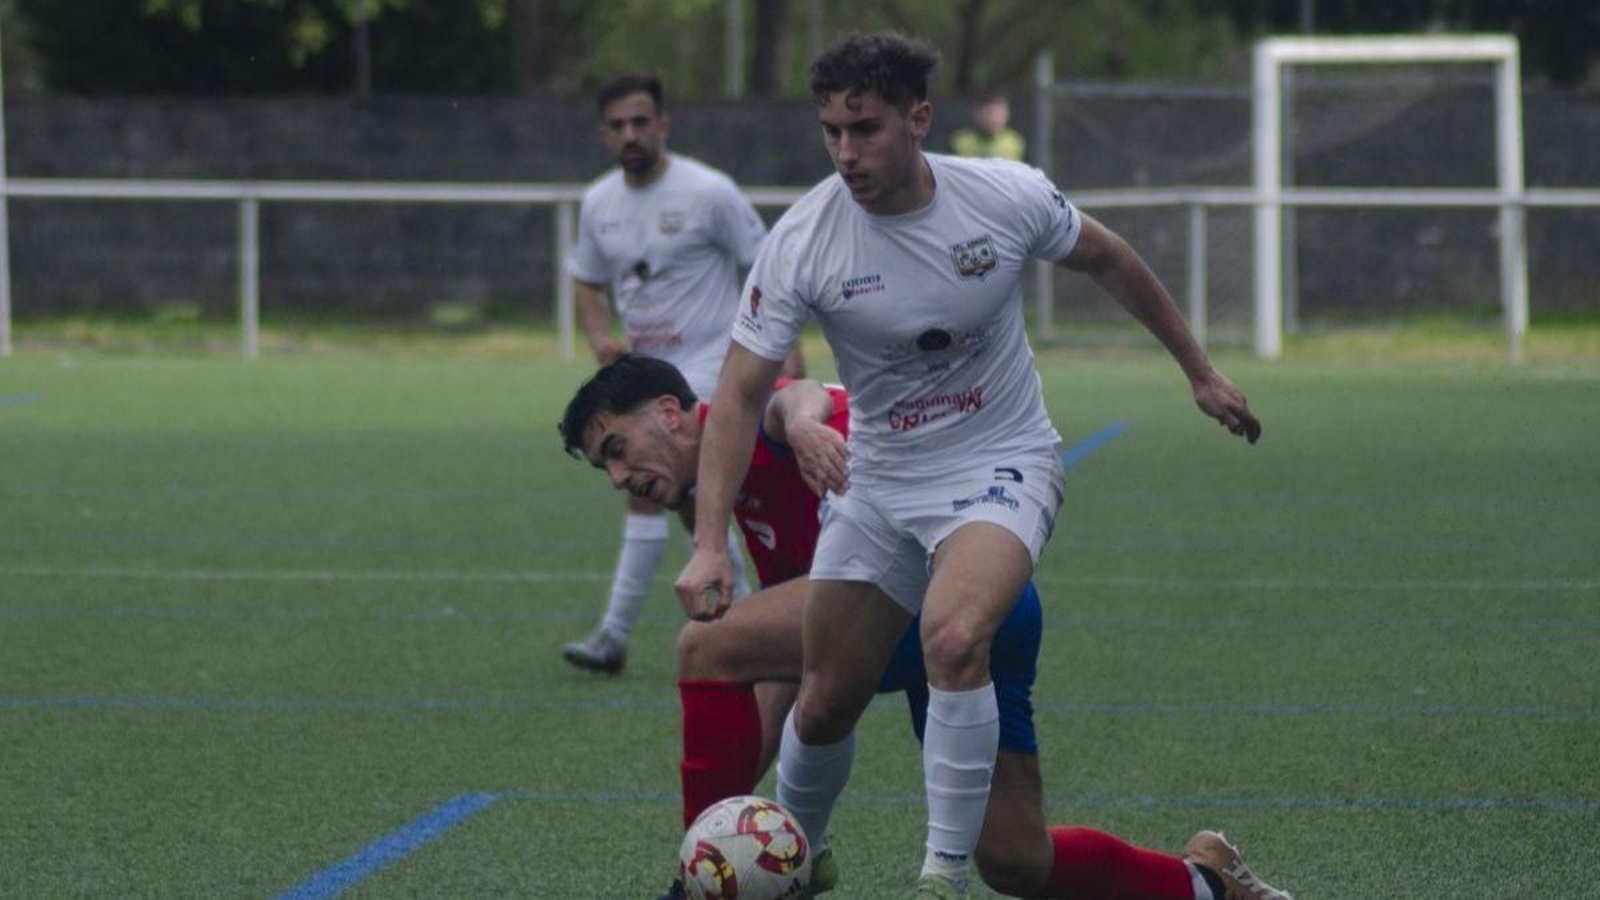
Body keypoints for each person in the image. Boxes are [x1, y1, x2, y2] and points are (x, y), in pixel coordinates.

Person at [676, 33, 1263, 899]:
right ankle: (802, 856)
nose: (846, 153)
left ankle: (939, 876)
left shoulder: (1002, 196)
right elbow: (734, 396)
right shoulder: (804, 238)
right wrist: (708, 544)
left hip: (1002, 460)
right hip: (881, 482)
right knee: (827, 697)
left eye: (865, 129)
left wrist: (1201, 372)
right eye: (831, 131)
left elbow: (1108, 256)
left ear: (919, 120)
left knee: (952, 634)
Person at [559, 355, 1290, 900]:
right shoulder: (726, 497)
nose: (619, 478)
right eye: (603, 470)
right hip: (985, 612)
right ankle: (1205, 881)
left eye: (616, 449)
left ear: (669, 410)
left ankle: (699, 891)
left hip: (947, 599)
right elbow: (796, 663)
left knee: (705, 644)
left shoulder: (748, 420)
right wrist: (747, 826)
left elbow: (795, 399)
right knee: (1015, 860)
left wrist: (808, 424)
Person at [561, 72, 802, 676]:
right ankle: (745, 627)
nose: (631, 134)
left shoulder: (710, 191)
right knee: (685, 506)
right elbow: (586, 279)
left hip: (714, 379)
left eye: (642, 121)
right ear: (603, 134)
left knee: (659, 496)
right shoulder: (598, 203)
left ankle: (621, 635)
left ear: (663, 125)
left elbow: (769, 271)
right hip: (646, 385)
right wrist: (597, 338)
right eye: (618, 125)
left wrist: (786, 362)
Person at [950, 93, 1026, 161]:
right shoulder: (961, 142)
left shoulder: (1015, 143)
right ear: (977, 114)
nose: (993, 119)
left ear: (1007, 115)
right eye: (989, 112)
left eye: (998, 114)